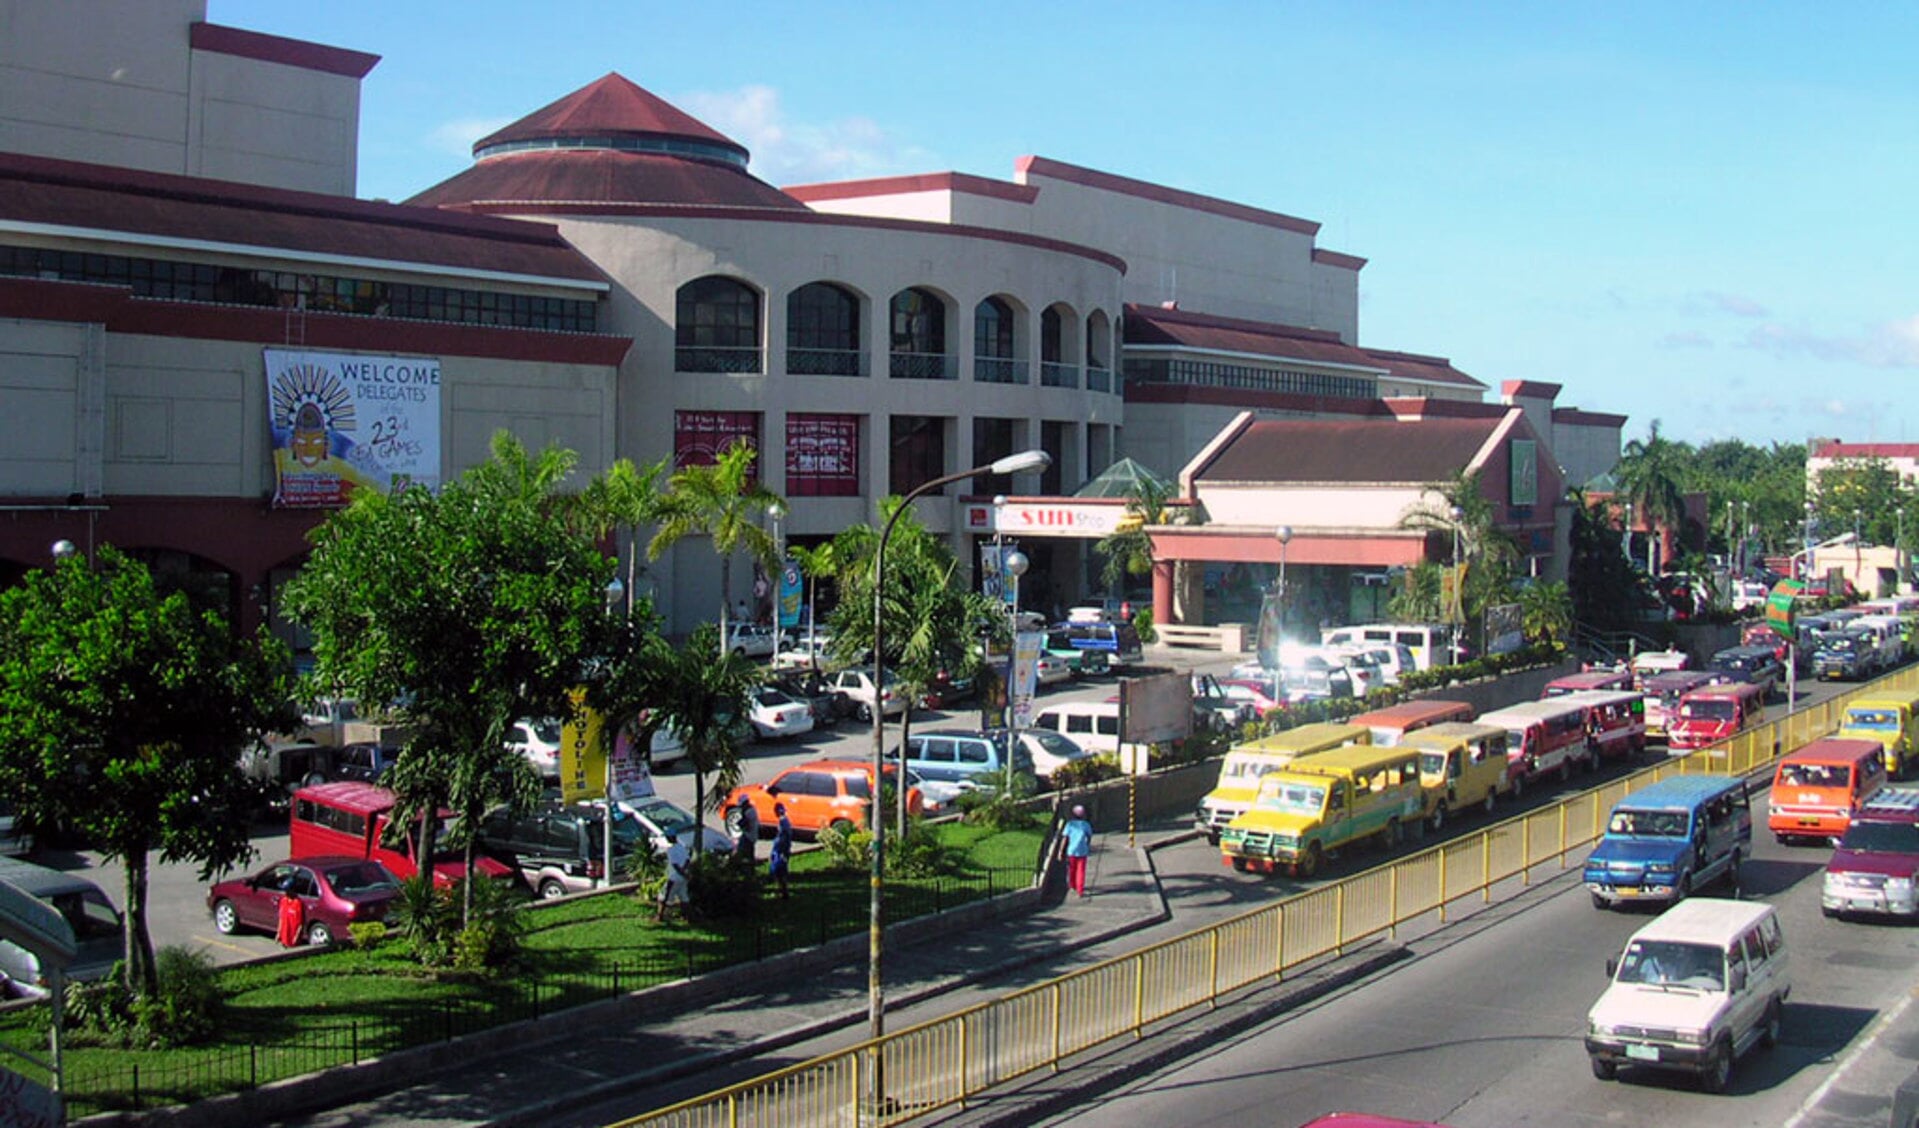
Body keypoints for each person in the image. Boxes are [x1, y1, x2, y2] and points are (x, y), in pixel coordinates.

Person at [1061, 804, 1094, 898]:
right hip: (1082, 851)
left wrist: (1060, 851)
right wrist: (1087, 845)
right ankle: (1080, 890)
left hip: (1071, 851)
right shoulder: (1086, 825)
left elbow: (1065, 838)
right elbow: (1089, 836)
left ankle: (1072, 885)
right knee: (1081, 871)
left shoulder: (1070, 825)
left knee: (1072, 869)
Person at [656, 837, 691, 923]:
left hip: (674, 877)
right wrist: (685, 873)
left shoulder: (671, 850)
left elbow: (675, 865)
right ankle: (687, 917)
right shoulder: (682, 847)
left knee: (663, 897)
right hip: (683, 879)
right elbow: (687, 860)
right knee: (684, 897)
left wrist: (682, 873)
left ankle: (659, 917)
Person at [767, 802, 794, 898]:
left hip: (781, 850)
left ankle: (783, 892)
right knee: (781, 871)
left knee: (779, 871)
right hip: (783, 849)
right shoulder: (785, 821)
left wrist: (779, 850)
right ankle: (782, 891)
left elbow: (782, 838)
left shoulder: (783, 823)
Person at [734, 796, 760, 864]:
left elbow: (746, 824)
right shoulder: (751, 809)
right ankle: (749, 863)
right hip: (751, 834)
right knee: (749, 851)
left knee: (745, 851)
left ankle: (747, 865)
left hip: (749, 836)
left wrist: (740, 823)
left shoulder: (748, 812)